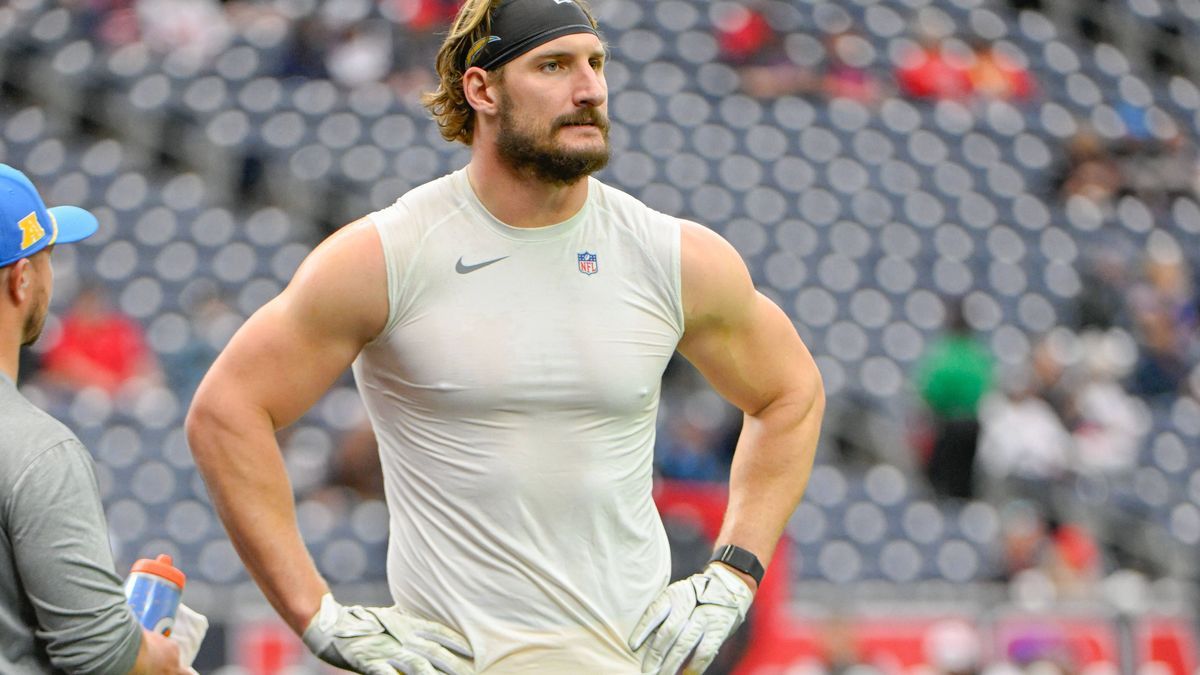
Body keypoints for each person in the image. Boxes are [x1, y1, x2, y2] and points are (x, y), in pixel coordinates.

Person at [185, 0, 824, 673]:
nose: (589, 89)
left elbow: (791, 393)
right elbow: (226, 413)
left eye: (596, 64)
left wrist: (734, 571)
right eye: (554, 65)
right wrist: (317, 615)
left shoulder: (670, 255)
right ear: (482, 89)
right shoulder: (388, 254)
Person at [0, 163, 187, 674]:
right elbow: (102, 655)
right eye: (47, 259)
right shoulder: (37, 450)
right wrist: (159, 657)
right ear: (21, 279)